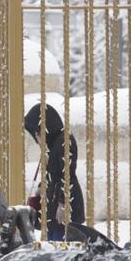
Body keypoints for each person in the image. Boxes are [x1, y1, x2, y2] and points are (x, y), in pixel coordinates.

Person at [24, 103, 85, 241]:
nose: (36, 137)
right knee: (52, 245)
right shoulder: (52, 144)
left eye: (37, 132)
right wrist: (41, 188)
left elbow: (66, 174)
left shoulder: (64, 141)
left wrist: (63, 203)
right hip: (53, 207)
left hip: (63, 207)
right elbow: (52, 174)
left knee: (60, 246)